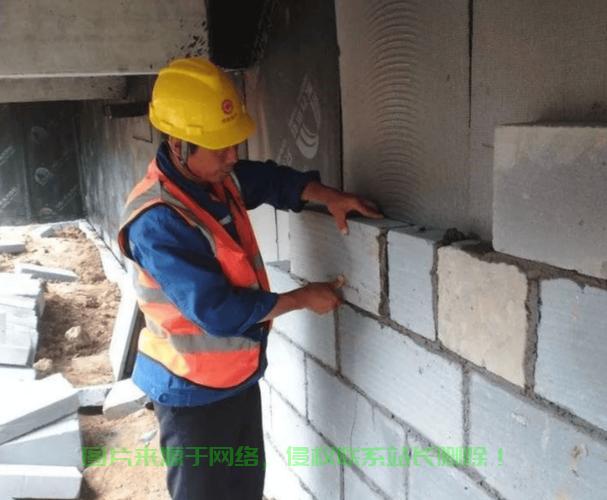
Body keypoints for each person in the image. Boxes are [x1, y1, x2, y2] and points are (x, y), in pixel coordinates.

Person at [117, 57, 382, 500]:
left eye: (234, 144)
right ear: (179, 144)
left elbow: (268, 181)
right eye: (220, 149)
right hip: (191, 395)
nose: (232, 157)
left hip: (234, 379)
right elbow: (218, 311)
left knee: (244, 491)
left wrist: (329, 196)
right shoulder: (159, 220)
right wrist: (303, 298)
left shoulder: (214, 180)